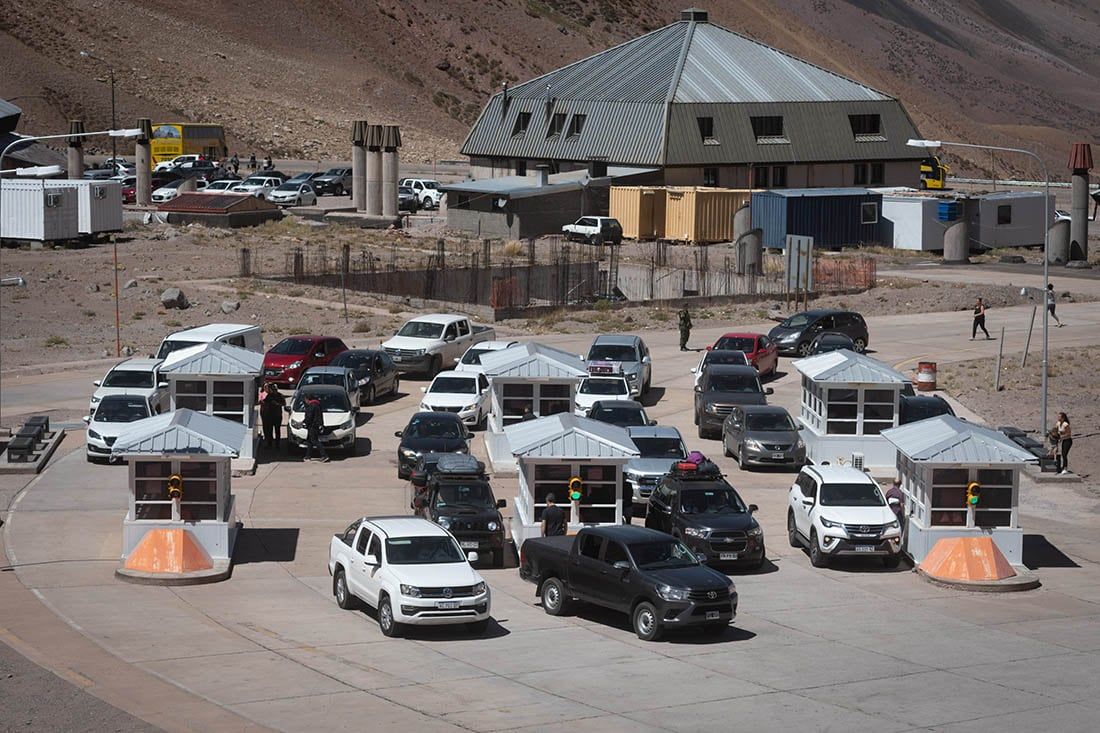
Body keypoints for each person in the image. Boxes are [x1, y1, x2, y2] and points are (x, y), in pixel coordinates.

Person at [302, 395, 329, 463]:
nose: (305, 401)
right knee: (309, 441)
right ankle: (308, 456)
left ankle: (324, 455)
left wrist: (304, 422)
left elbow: (309, 416)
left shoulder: (312, 406)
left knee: (315, 441)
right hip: (315, 425)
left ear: (308, 399)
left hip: (312, 426)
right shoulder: (317, 405)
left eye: (305, 400)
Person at [259, 382, 286, 449]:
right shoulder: (269, 395)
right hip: (269, 415)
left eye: (273, 389)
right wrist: (262, 402)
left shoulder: (280, 395)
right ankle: (269, 444)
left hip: (277, 415)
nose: (272, 391)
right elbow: (265, 401)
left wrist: (277, 403)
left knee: (277, 430)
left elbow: (284, 403)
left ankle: (277, 444)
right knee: (269, 430)